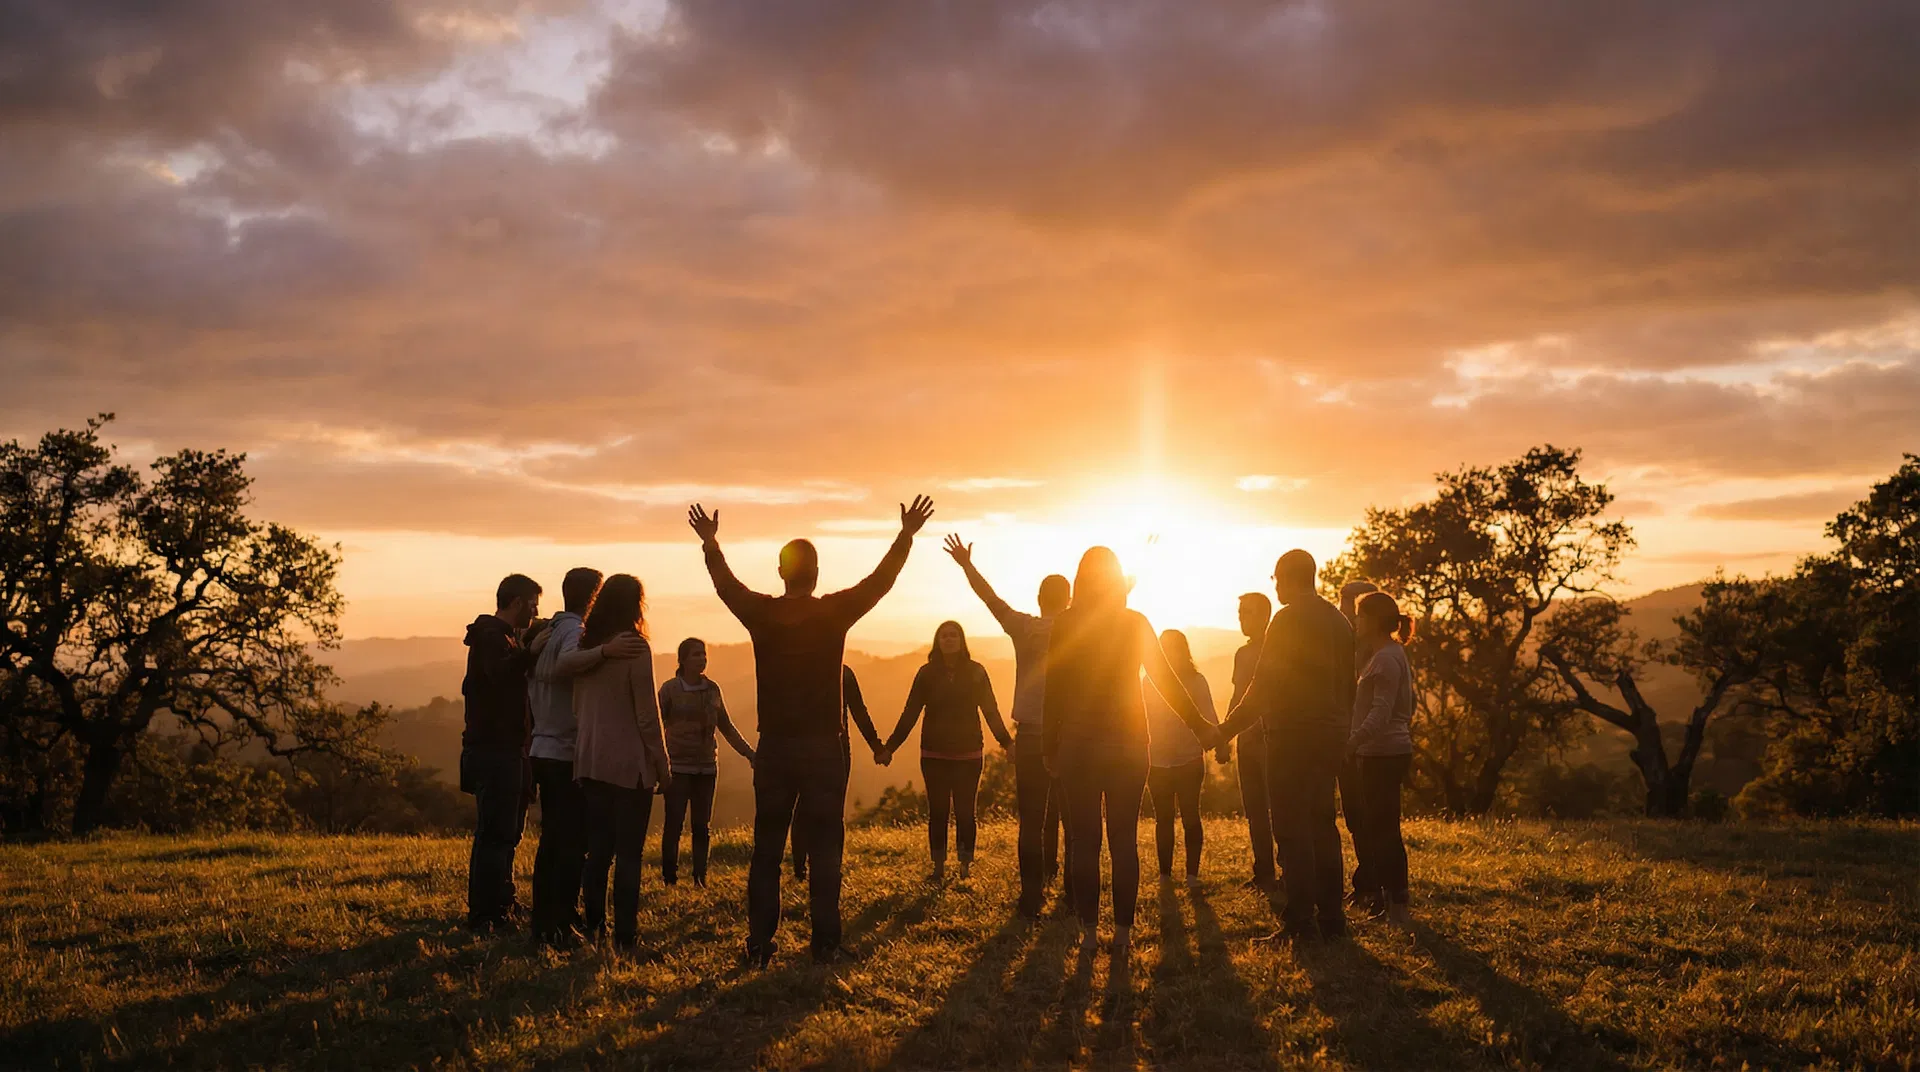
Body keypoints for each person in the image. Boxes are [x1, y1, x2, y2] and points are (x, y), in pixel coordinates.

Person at [689, 494, 935, 967]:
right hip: (824, 748)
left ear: (781, 574)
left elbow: (726, 587)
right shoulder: (832, 612)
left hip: (775, 747)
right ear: (816, 574)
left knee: (766, 848)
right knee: (825, 846)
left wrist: (711, 544)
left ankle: (759, 944)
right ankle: (824, 944)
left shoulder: (761, 613)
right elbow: (880, 583)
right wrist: (905, 535)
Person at [1044, 546, 1219, 976]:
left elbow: (1054, 692)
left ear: (1081, 579)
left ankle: (1088, 934)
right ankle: (1121, 936)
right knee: (1123, 841)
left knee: (1084, 842)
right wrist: (1199, 725)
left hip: (1079, 746)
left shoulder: (1066, 623)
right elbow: (1167, 682)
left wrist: (1050, 748)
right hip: (1128, 744)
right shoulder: (1135, 622)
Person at [1221, 550, 1357, 942]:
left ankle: (1299, 920)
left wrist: (1227, 728)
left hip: (1293, 734)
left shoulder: (1287, 618)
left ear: (1289, 578)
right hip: (1331, 733)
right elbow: (1350, 683)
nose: (1275, 587)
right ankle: (1332, 917)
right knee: (1322, 823)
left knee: (1292, 827)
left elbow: (1263, 684)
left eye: (1277, 579)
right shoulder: (1338, 621)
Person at [942, 534, 1073, 917]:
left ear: (1039, 600)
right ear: (1067, 601)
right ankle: (1071, 895)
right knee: (1073, 819)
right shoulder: (1080, 629)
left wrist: (967, 564)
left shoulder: (1023, 627)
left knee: (1031, 820)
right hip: (1070, 735)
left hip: (1032, 734)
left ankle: (1031, 896)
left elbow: (991, 599)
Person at [526, 567, 649, 947]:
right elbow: (567, 664)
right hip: (565, 749)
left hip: (545, 746)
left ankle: (552, 920)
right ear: (593, 596)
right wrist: (606, 651)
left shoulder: (548, 633)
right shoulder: (573, 633)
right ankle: (562, 922)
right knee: (571, 843)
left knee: (559, 842)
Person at [572, 574, 671, 951]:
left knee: (598, 850)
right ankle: (625, 937)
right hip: (629, 764)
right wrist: (662, 762)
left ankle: (594, 926)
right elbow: (647, 714)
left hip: (591, 758)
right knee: (628, 854)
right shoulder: (634, 648)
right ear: (636, 604)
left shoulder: (589, 645)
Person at [884, 621, 1013, 882]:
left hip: (969, 755)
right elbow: (910, 712)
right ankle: (938, 867)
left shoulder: (977, 672)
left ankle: (965, 867)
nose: (949, 639)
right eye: (944, 635)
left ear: (962, 641)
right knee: (938, 812)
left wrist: (1007, 743)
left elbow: (991, 710)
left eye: (954, 635)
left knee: (966, 813)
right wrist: (889, 747)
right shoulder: (926, 674)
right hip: (934, 754)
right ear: (937, 641)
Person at [460, 574, 542, 933]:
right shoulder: (492, 639)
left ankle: (502, 902)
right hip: (494, 750)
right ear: (519, 602)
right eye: (533, 603)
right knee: (494, 834)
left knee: (507, 833)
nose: (535, 611)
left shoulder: (499, 637)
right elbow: (501, 676)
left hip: (507, 748)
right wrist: (531, 651)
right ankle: (485, 914)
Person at [658, 638, 756, 887]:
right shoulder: (669, 690)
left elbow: (726, 726)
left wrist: (749, 753)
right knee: (674, 825)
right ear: (682, 660)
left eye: (703, 654)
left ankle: (699, 878)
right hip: (677, 768)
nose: (701, 659)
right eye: (695, 655)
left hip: (706, 768)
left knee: (702, 826)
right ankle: (670, 878)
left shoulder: (713, 689)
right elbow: (656, 727)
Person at [1347, 591, 1417, 929]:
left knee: (1384, 829)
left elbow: (1381, 712)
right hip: (1385, 751)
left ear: (1372, 620)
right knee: (1380, 827)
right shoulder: (1389, 655)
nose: (1356, 623)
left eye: (1360, 616)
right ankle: (1389, 901)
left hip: (1383, 753)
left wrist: (1352, 742)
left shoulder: (1386, 659)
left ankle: (1397, 904)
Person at [1144, 629, 1224, 886]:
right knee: (1166, 818)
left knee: (1188, 816)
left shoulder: (1193, 681)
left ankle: (1190, 875)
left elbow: (1209, 715)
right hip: (1159, 758)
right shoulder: (1152, 681)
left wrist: (1219, 742)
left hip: (1183, 756)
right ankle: (1167, 874)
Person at [793, 664, 884, 882]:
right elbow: (859, 711)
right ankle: (805, 865)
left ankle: (826, 866)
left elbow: (858, 710)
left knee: (826, 810)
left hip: (835, 748)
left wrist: (876, 746)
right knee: (809, 808)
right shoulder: (802, 669)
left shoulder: (843, 672)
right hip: (815, 748)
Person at [1228, 592, 1279, 890]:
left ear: (1263, 615)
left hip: (1271, 738)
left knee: (1278, 808)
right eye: (1239, 612)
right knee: (1255, 809)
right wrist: (1226, 734)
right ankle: (1263, 871)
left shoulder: (1276, 650)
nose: (1240, 617)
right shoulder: (1242, 653)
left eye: (1246, 612)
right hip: (1246, 739)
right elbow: (1237, 696)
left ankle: (1285, 869)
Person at [1337, 578, 1380, 904]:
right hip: (1354, 737)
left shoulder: (1367, 651)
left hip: (1358, 741)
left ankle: (1370, 883)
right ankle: (1368, 882)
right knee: (1358, 814)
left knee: (1361, 814)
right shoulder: (1369, 648)